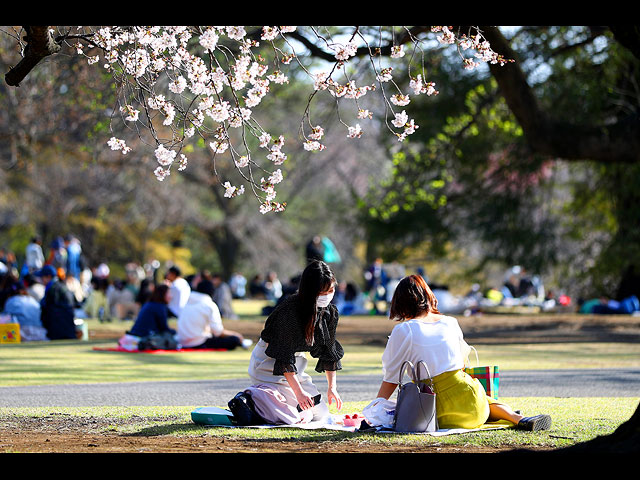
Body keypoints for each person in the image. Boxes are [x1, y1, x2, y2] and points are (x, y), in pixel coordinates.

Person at [370, 274, 552, 431]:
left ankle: (514, 417)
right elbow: (462, 362)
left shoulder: (404, 330)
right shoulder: (450, 322)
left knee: (402, 406)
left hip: (435, 410)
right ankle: (518, 418)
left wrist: (375, 409)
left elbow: (391, 378)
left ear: (401, 303)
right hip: (475, 403)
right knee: (479, 395)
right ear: (428, 296)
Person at [246, 260, 344, 424]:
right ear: (311, 290)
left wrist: (332, 388)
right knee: (294, 416)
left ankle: (278, 400)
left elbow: (329, 351)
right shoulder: (290, 311)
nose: (328, 295)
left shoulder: (329, 313)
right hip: (268, 363)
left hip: (295, 365)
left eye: (331, 290)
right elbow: (283, 356)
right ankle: (254, 397)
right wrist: (298, 393)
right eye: (323, 292)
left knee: (320, 414)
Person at [176, 279, 248, 350]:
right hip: (199, 342)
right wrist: (236, 335)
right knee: (234, 340)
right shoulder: (209, 305)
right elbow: (218, 332)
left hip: (182, 342)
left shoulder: (187, 302)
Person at [37, 265, 77, 340]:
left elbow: (47, 310)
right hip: (68, 329)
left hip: (59, 331)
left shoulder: (53, 288)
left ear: (48, 277)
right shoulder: (60, 286)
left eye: (42, 277)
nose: (41, 280)